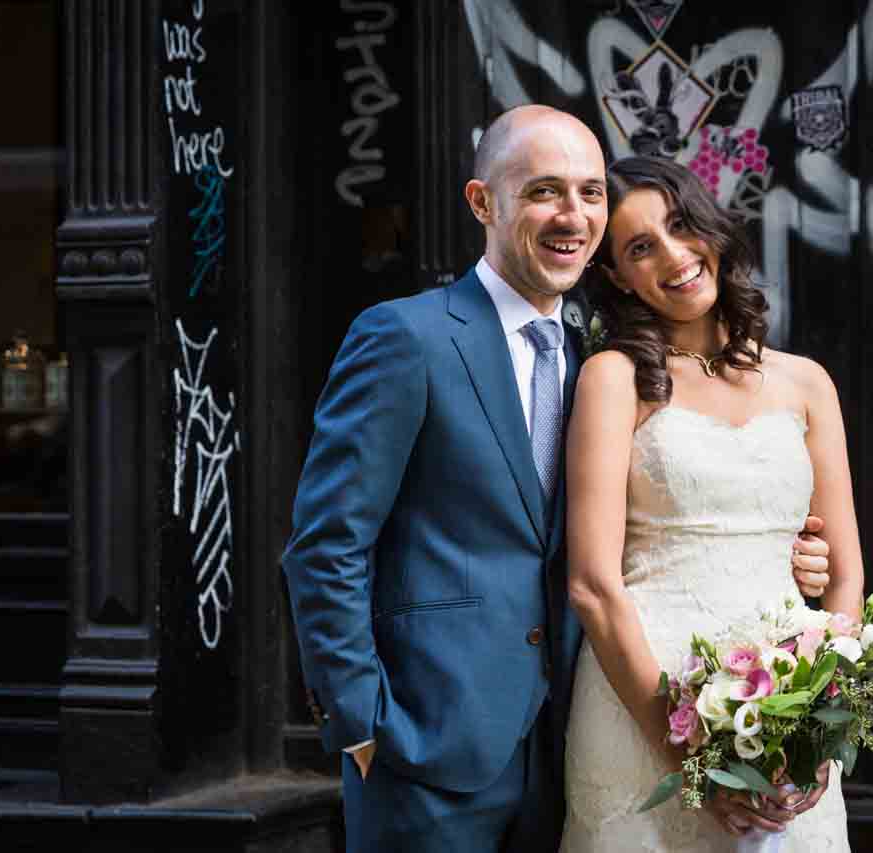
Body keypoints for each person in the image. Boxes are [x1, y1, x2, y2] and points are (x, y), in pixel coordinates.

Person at [281, 106, 833, 853]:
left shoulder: (595, 360)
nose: (573, 214)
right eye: (544, 191)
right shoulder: (406, 338)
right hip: (425, 755)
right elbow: (326, 547)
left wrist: (792, 554)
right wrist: (362, 728)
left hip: (565, 747)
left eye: (589, 193)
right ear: (484, 203)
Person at [560, 155, 864, 851]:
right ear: (617, 277)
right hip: (646, 712)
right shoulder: (614, 379)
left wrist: (826, 717)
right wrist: (691, 759)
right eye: (640, 247)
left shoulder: (807, 383)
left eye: (679, 224)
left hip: (788, 712)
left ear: (713, 226)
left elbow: (844, 574)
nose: (672, 255)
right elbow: (592, 584)